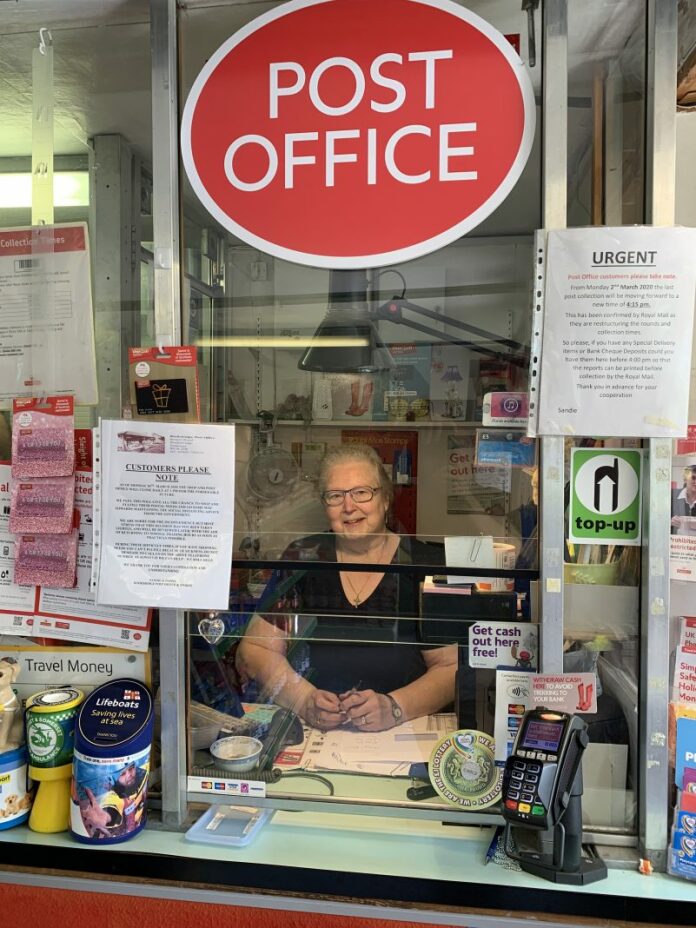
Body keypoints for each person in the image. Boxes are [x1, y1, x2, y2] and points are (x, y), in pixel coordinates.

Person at [236, 444, 457, 732]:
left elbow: (451, 667)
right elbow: (253, 650)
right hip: (318, 736)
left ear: (386, 499)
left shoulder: (425, 565)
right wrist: (304, 700)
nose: (349, 507)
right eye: (335, 496)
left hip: (401, 737)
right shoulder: (305, 556)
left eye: (362, 493)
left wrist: (393, 708)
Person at [671, 464, 696, 534]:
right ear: (685, 479)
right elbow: (657, 519)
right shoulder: (671, 495)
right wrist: (669, 522)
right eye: (693, 478)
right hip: (674, 543)